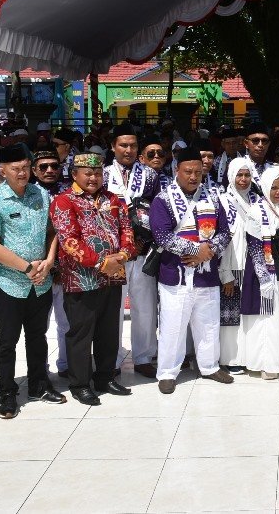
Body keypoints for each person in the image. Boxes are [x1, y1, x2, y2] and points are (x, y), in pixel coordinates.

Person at [0, 143, 64, 419]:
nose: (23, 173)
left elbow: (52, 231)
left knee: (38, 336)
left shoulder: (41, 194)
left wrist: (49, 261)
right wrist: (26, 268)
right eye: (16, 169)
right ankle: (7, 392)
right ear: (2, 170)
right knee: (8, 340)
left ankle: (39, 384)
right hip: (9, 282)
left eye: (26, 167)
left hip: (41, 280)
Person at [49, 151, 136, 405]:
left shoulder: (113, 199)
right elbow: (69, 240)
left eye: (98, 173)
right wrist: (101, 262)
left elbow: (126, 230)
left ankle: (105, 377)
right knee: (81, 333)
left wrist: (123, 254)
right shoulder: (64, 201)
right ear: (75, 174)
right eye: (88, 173)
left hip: (113, 276)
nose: (93, 178)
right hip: (81, 279)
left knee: (109, 330)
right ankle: (79, 384)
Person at [150, 145, 233, 393]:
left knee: (208, 324)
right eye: (188, 171)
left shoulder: (212, 197)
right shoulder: (163, 199)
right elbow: (162, 236)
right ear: (177, 170)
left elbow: (225, 232)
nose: (194, 177)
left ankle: (209, 366)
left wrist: (209, 251)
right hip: (175, 275)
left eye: (198, 172)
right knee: (172, 326)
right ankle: (167, 372)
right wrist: (197, 251)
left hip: (207, 274)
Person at [104, 123, 160, 379]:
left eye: (133, 145)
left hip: (142, 250)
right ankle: (112, 358)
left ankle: (144, 356)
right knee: (114, 307)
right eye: (123, 145)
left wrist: (144, 241)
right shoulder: (104, 175)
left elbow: (158, 212)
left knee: (145, 306)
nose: (128, 150)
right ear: (113, 147)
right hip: (114, 254)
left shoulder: (150, 175)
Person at [237, 167, 279, 379]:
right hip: (267, 272)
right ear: (265, 188)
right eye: (274, 188)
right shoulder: (257, 211)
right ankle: (267, 363)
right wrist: (264, 278)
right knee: (268, 320)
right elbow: (254, 248)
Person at [31, 149, 70, 378]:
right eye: (43, 167)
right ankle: (40, 371)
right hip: (36, 269)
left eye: (54, 166)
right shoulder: (27, 194)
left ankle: (67, 365)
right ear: (34, 170)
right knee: (38, 326)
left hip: (66, 268)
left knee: (67, 322)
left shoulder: (70, 192)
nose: (49, 170)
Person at [218, 160, 256, 374]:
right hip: (231, 267)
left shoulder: (256, 200)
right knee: (229, 317)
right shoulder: (223, 201)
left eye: (247, 175)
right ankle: (229, 358)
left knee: (248, 315)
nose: (243, 180)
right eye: (239, 175)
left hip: (252, 266)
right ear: (231, 176)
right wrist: (226, 274)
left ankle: (248, 356)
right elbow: (222, 239)